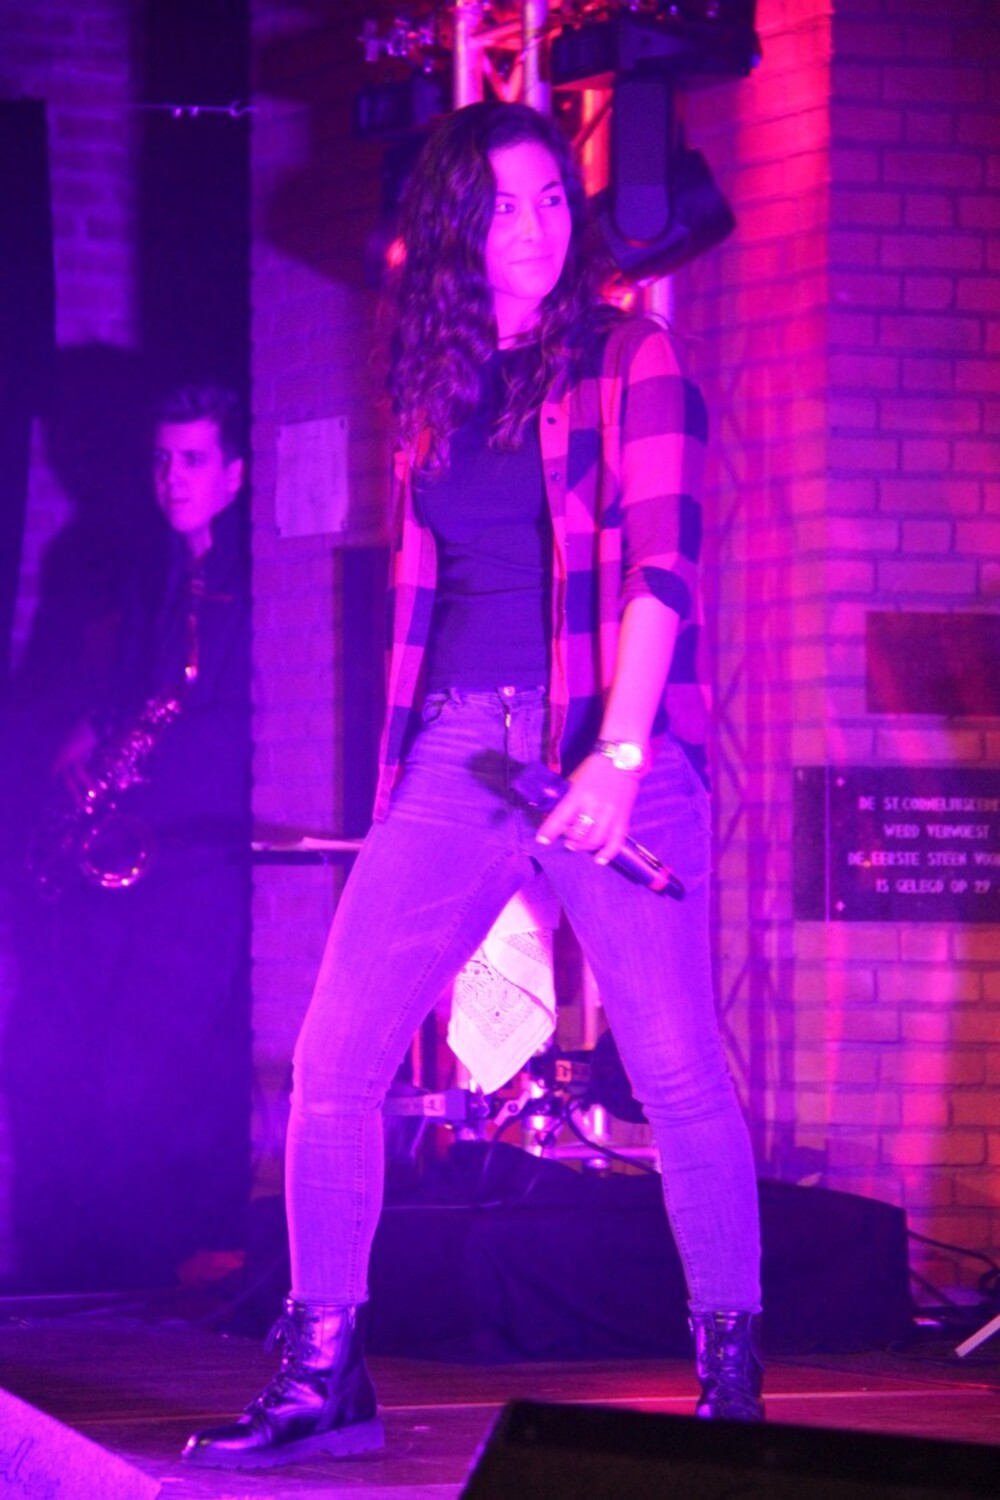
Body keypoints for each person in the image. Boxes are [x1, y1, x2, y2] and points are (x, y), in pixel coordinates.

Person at [183, 101, 762, 1471]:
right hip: (462, 749)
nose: (537, 227)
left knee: (676, 1066)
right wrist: (409, 774)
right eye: (504, 206)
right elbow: (426, 591)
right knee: (335, 1060)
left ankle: (730, 1376)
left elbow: (665, 564)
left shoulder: (632, 355)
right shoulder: (434, 377)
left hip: (611, 743)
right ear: (455, 224)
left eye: (553, 198)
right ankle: (325, 1376)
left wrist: (619, 753)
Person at [9, 384, 252, 1292]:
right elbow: (134, 685)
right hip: (141, 850)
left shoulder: (247, 577)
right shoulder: (157, 571)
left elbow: (219, 717)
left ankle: (159, 1274)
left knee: (151, 1071)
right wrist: (94, 729)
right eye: (161, 459)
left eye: (192, 460)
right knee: (93, 1059)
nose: (171, 478)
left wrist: (135, 757)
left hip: (201, 851)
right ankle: (105, 1271)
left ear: (234, 475)